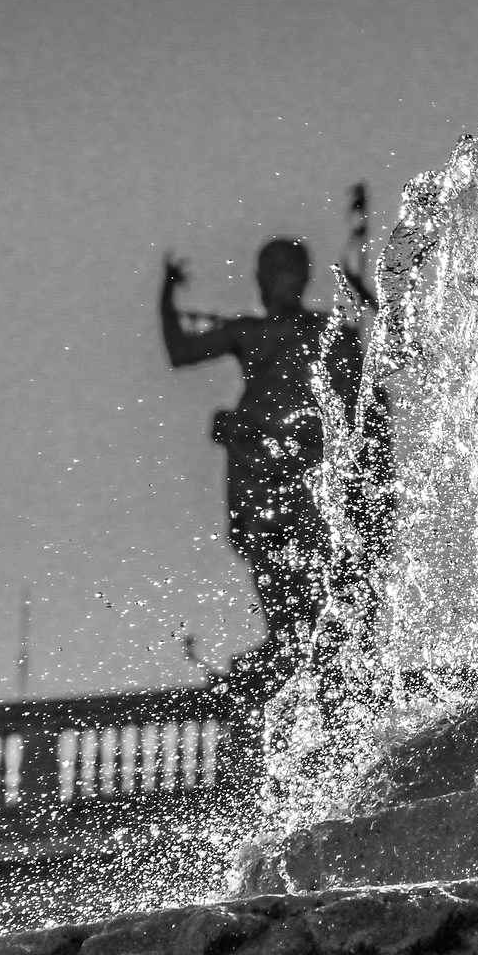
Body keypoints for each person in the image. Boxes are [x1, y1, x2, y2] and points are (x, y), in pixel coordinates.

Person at [161, 238, 361, 669]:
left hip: (306, 454)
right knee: (264, 548)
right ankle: (283, 636)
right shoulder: (248, 332)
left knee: (313, 545)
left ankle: (317, 635)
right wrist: (166, 294)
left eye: (283, 271)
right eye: (266, 273)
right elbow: (180, 352)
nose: (272, 282)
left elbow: (355, 401)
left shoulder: (330, 334)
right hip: (253, 456)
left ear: (303, 277)